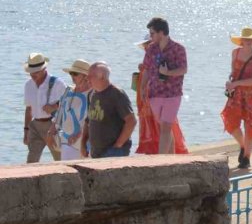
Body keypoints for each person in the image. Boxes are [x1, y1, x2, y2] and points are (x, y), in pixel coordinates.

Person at [141, 17, 188, 155]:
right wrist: (143, 88)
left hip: (172, 94)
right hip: (155, 93)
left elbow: (183, 69)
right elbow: (147, 70)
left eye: (152, 33)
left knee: (166, 127)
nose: (150, 36)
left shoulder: (178, 48)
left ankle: (161, 160)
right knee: (164, 127)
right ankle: (171, 158)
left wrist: (168, 73)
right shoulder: (151, 49)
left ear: (161, 32)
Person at [222, 27, 252, 169]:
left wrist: (236, 83)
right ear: (241, 40)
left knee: (250, 125)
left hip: (251, 94)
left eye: (250, 39)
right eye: (245, 39)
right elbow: (233, 70)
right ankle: (243, 146)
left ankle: (247, 157)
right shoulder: (235, 52)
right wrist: (231, 79)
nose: (247, 41)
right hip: (235, 92)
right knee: (230, 120)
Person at [81, 62, 136, 158]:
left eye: (91, 76)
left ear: (102, 77)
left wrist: (117, 146)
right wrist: (83, 143)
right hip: (96, 152)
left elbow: (131, 121)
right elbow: (88, 120)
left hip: (113, 152)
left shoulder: (116, 94)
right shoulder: (93, 94)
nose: (87, 79)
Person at [23, 52, 66, 163]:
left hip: (52, 125)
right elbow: (28, 110)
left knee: (59, 160)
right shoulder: (28, 85)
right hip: (35, 126)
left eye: (36, 72)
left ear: (44, 69)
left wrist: (54, 106)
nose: (33, 75)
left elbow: (69, 105)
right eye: (31, 72)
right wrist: (26, 131)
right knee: (31, 161)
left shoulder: (58, 83)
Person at [50, 59, 92, 160]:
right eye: (71, 74)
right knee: (68, 170)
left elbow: (92, 119)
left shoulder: (93, 94)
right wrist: (52, 128)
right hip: (67, 140)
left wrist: (78, 135)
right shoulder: (68, 91)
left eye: (75, 74)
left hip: (86, 142)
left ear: (85, 76)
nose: (72, 77)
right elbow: (60, 112)